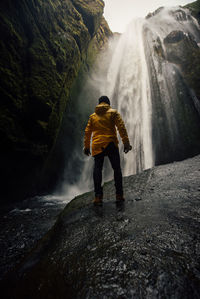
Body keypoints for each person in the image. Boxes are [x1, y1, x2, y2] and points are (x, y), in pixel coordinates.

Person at [83, 96, 132, 204]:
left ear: (99, 103)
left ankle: (98, 197)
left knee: (97, 169)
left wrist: (86, 147)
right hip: (111, 144)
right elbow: (121, 127)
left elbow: (87, 132)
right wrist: (126, 143)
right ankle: (119, 195)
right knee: (117, 169)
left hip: (97, 145)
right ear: (108, 103)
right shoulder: (113, 113)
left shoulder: (93, 116)